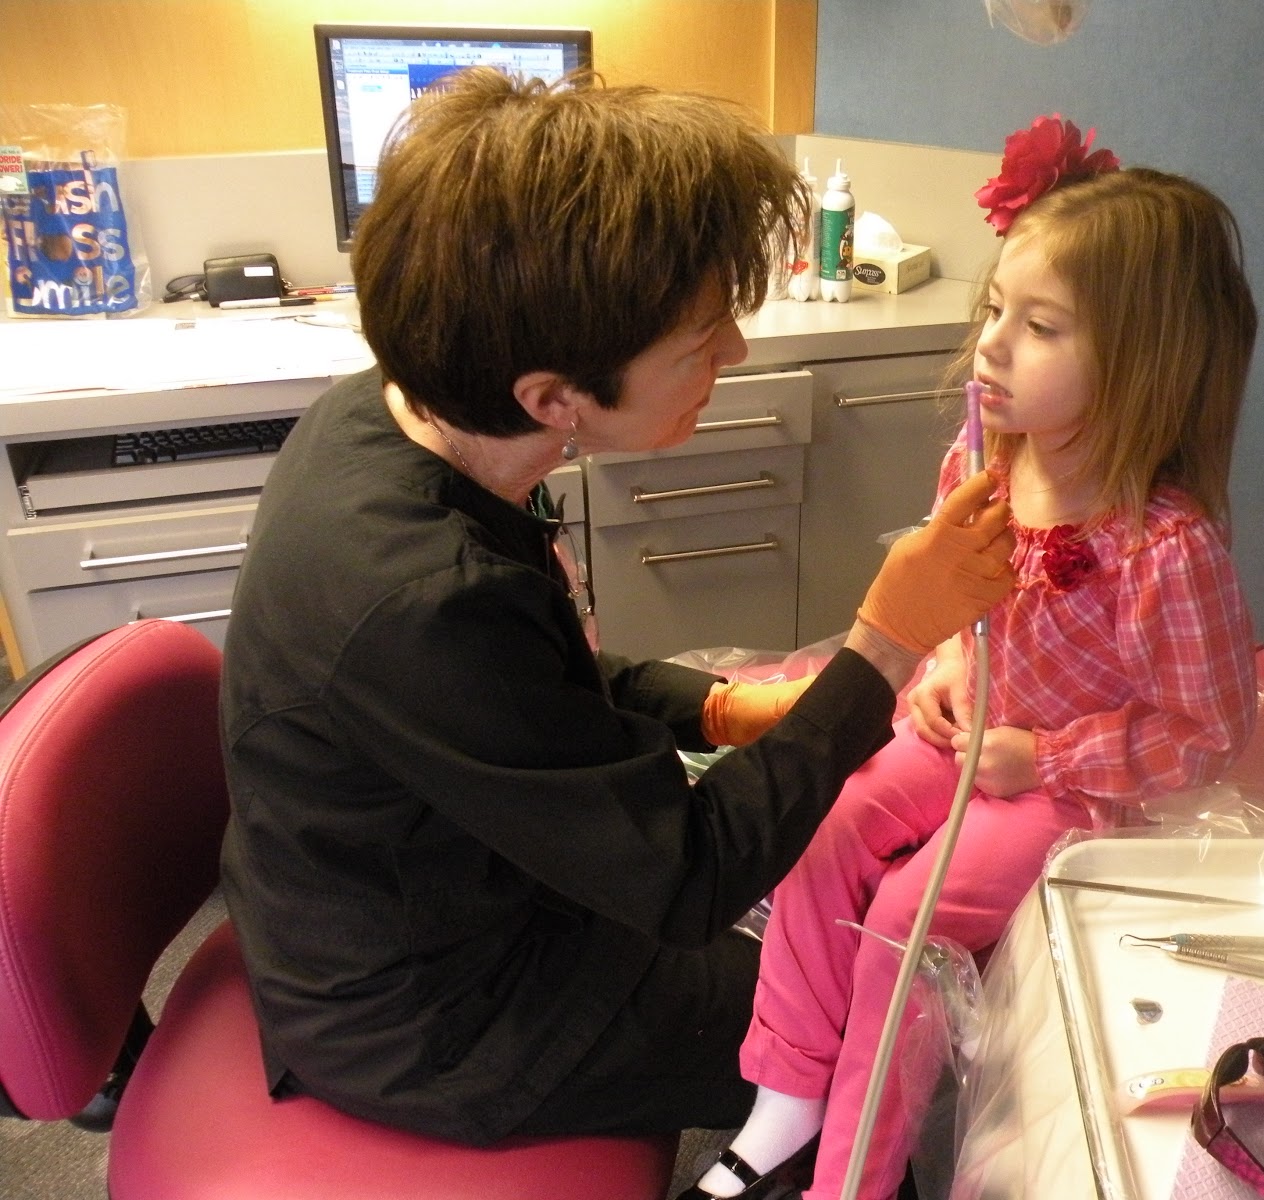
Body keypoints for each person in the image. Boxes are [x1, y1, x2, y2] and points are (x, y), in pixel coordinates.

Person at [217, 68, 1016, 1149]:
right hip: (437, 1019)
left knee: (834, 948)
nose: (733, 354)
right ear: (553, 398)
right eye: (699, 340)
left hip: (471, 887)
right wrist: (884, 644)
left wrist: (725, 709)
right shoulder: (422, 597)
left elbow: (531, 687)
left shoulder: (393, 415)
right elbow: (687, 875)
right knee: (874, 1021)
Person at [684, 116, 1260, 1200]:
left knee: (909, 923)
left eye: (1039, 327)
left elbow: (1208, 733)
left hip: (1075, 789)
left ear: (1142, 363)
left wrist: (1042, 760)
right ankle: (786, 1101)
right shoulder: (982, 460)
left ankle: (850, 1174)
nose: (990, 344)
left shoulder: (1164, 549)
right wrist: (948, 660)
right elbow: (960, 605)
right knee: (821, 831)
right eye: (996, 310)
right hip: (966, 734)